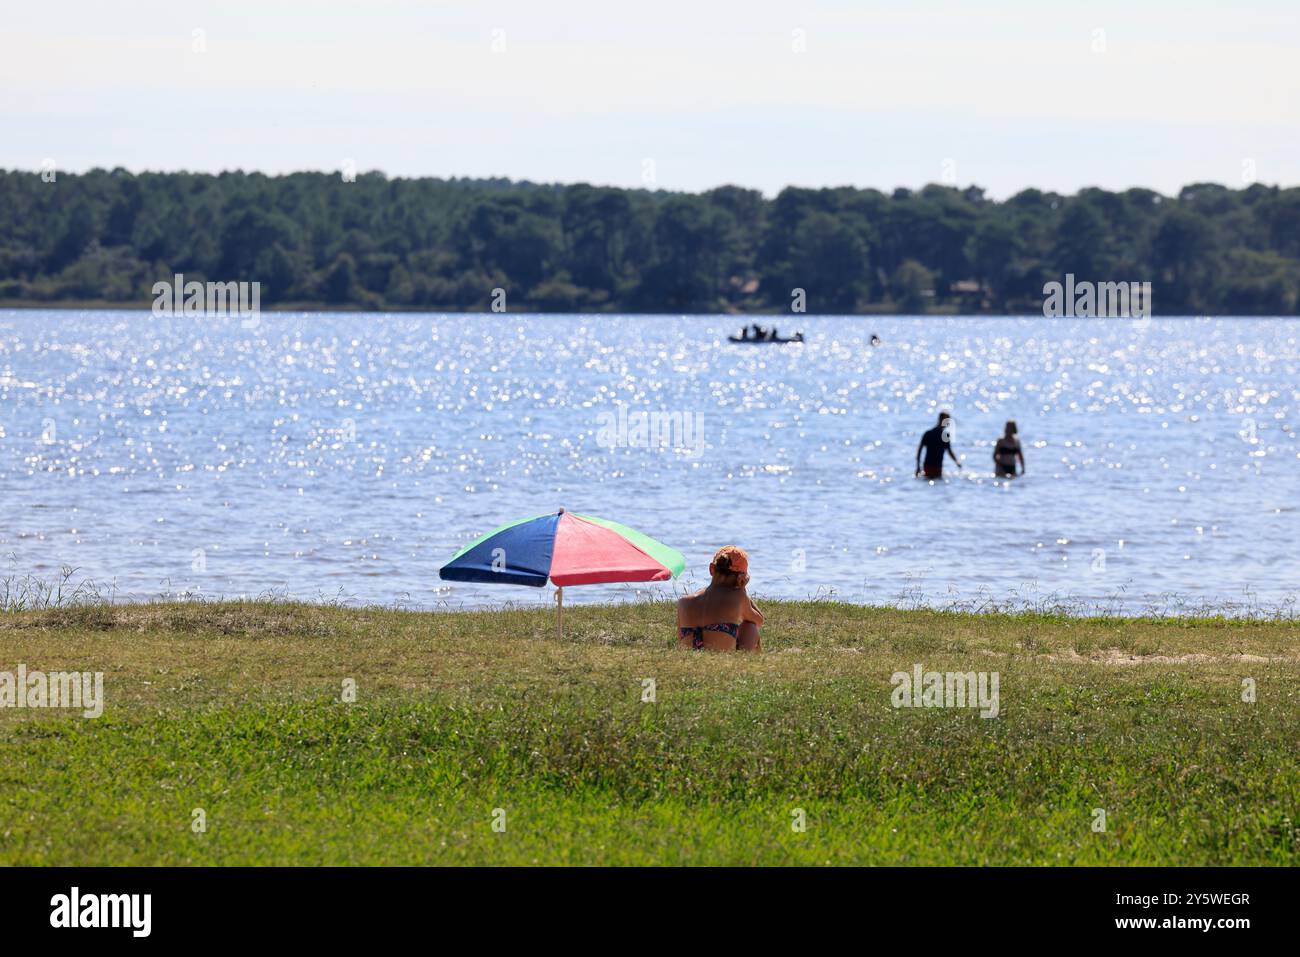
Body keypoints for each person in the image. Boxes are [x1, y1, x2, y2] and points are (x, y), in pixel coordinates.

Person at [677, 546, 764, 651]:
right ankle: (749, 664)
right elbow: (759, 620)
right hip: (720, 662)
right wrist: (742, 589)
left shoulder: (684, 602)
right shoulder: (738, 597)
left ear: (711, 569)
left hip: (690, 662)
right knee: (750, 626)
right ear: (741, 578)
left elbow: (679, 639)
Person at [915, 410, 962, 479]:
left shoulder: (929, 433)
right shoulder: (931, 434)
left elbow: (919, 450)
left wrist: (918, 466)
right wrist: (957, 462)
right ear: (940, 419)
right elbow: (949, 451)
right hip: (933, 467)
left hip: (932, 466)